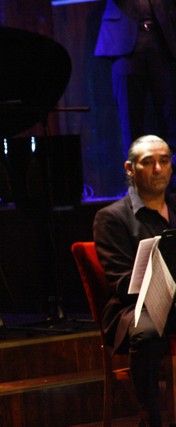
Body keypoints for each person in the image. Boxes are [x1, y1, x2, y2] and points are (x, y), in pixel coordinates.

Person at [93, 134, 176, 426]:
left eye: (164, 161)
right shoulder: (111, 217)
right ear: (130, 168)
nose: (158, 169)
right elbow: (121, 282)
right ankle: (150, 416)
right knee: (149, 331)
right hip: (135, 306)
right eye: (148, 162)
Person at [94, 0, 176, 159]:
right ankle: (135, 171)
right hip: (124, 37)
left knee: (171, 115)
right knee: (130, 118)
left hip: (164, 35)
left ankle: (172, 170)